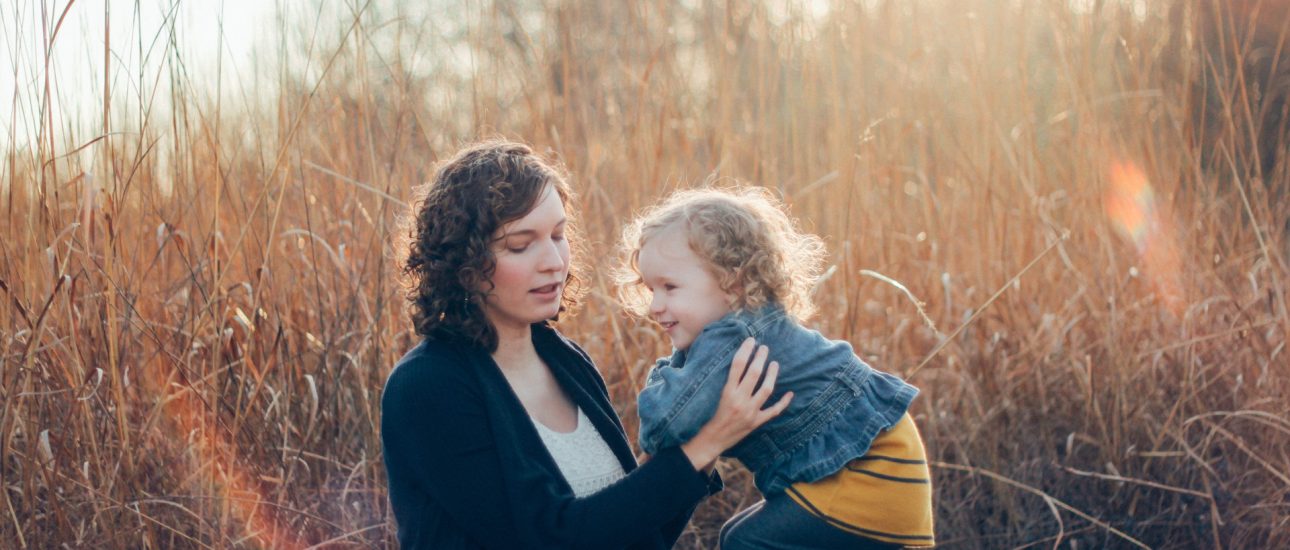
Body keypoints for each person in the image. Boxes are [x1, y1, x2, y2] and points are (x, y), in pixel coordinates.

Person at [380, 140, 793, 549]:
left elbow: (638, 532)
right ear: (464, 263)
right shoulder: (428, 386)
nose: (554, 261)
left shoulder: (566, 360)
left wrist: (706, 433)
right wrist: (707, 442)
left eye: (558, 235)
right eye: (521, 245)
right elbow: (548, 537)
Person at [616, 187, 935, 549]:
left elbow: (662, 427)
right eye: (650, 288)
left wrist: (664, 374)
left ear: (731, 282)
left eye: (669, 287)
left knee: (745, 542)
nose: (654, 306)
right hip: (888, 469)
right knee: (735, 536)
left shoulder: (732, 340)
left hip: (866, 481)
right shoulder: (756, 324)